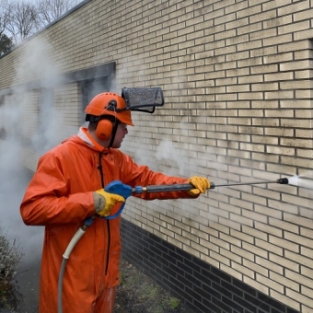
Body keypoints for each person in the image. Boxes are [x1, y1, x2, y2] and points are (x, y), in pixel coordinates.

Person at [20, 91, 210, 313]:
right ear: (105, 126)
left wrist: (186, 186)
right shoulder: (60, 157)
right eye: (123, 126)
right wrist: (93, 202)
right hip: (71, 281)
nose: (127, 132)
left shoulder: (116, 159)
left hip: (106, 278)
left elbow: (148, 180)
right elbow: (32, 210)